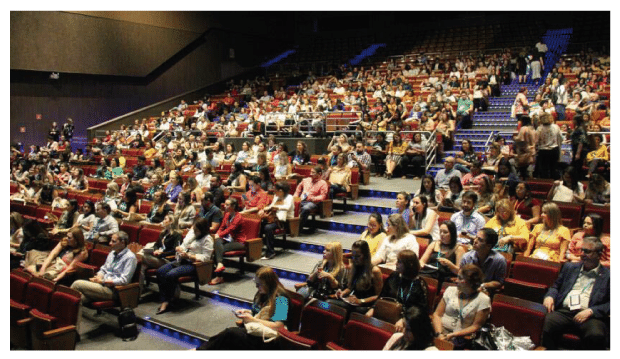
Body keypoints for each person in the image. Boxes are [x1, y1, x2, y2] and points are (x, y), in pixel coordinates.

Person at [542, 236, 610, 350]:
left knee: (596, 335)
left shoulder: (608, 276)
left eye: (587, 251)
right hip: (564, 312)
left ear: (599, 254)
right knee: (543, 324)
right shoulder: (570, 267)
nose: (582, 254)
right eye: (582, 250)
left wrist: (592, 311)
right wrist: (549, 296)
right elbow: (555, 287)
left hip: (590, 316)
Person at [198, 266, 289, 350]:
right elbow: (263, 312)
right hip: (257, 332)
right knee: (228, 338)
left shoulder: (281, 299)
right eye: (256, 283)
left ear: (269, 283)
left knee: (230, 334)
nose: (257, 287)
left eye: (259, 284)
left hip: (270, 340)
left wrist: (252, 319)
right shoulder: (263, 293)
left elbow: (278, 326)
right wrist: (248, 312)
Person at [155, 218, 213, 314]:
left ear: (202, 230)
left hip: (194, 265)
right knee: (160, 271)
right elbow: (184, 245)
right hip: (181, 260)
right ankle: (165, 299)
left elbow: (206, 258)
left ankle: (169, 301)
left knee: (170, 275)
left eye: (196, 230)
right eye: (194, 229)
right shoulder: (192, 233)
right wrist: (180, 248)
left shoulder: (207, 239)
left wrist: (190, 256)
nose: (194, 232)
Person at [432, 264, 491, 349]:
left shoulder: (483, 299)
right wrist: (439, 333)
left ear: (470, 282)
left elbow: (476, 326)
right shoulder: (450, 290)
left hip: (462, 338)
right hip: (439, 331)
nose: (456, 280)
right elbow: (437, 314)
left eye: (460, 278)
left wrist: (452, 335)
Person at [367, 250, 428, 330]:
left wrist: (404, 320)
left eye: (399, 262)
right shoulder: (394, 276)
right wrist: (373, 309)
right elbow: (382, 296)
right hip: (387, 314)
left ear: (409, 265)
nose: (396, 264)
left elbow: (420, 310)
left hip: (408, 321)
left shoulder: (419, 284)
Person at [71, 231, 137, 304]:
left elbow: (124, 280)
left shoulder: (130, 258)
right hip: (101, 285)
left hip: (114, 290)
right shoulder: (112, 253)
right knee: (78, 299)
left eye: (113, 241)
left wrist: (103, 281)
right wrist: (98, 277)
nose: (110, 243)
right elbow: (103, 269)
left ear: (122, 242)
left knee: (77, 284)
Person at [23, 227, 88, 283]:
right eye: (67, 236)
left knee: (34, 272)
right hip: (54, 263)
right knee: (30, 267)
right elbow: (52, 255)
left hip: (61, 270)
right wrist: (43, 268)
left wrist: (57, 278)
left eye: (69, 238)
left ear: (77, 240)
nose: (67, 239)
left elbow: (71, 267)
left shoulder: (82, 252)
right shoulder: (64, 241)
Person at [334, 240, 383, 312]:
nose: (354, 259)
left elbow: (379, 296)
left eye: (358, 256)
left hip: (366, 305)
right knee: (329, 304)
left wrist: (360, 301)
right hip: (353, 302)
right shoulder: (353, 267)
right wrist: (343, 293)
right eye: (353, 256)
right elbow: (350, 288)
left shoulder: (375, 271)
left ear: (366, 256)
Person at [139, 214, 182, 293]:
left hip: (168, 260)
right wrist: (155, 250)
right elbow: (156, 245)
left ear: (171, 222)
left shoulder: (177, 235)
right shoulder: (163, 233)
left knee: (141, 257)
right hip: (158, 258)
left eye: (165, 219)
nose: (163, 221)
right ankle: (139, 292)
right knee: (141, 266)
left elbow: (174, 250)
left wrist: (162, 253)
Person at [210, 198, 246, 285]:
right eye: (225, 204)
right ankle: (219, 267)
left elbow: (230, 229)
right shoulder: (226, 214)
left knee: (218, 249)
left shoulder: (238, 217)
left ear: (233, 206)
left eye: (227, 205)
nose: (224, 206)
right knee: (217, 243)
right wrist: (217, 235)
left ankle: (219, 275)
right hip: (229, 239)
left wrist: (219, 235)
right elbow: (222, 227)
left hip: (239, 242)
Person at [460, 228, 507, 293]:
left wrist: (483, 286)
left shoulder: (499, 260)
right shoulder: (466, 257)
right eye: (476, 237)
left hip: (487, 293)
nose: (475, 241)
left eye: (480, 240)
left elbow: (499, 282)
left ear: (488, 246)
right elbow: (461, 277)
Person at [259, 181, 294, 260]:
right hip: (274, 219)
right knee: (259, 224)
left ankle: (270, 252)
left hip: (284, 221)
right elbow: (271, 206)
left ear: (281, 191)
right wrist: (264, 209)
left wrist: (276, 207)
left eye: (276, 190)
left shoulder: (289, 197)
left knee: (268, 228)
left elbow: (287, 207)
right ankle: (259, 248)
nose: (274, 192)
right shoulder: (276, 197)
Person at [293, 166, 328, 234]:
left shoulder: (323, 183)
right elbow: (298, 189)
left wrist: (313, 198)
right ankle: (290, 227)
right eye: (311, 172)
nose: (311, 174)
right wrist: (296, 196)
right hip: (302, 200)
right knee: (291, 204)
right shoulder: (306, 180)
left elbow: (322, 196)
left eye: (313, 172)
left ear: (319, 174)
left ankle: (298, 229)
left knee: (306, 208)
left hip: (313, 202)